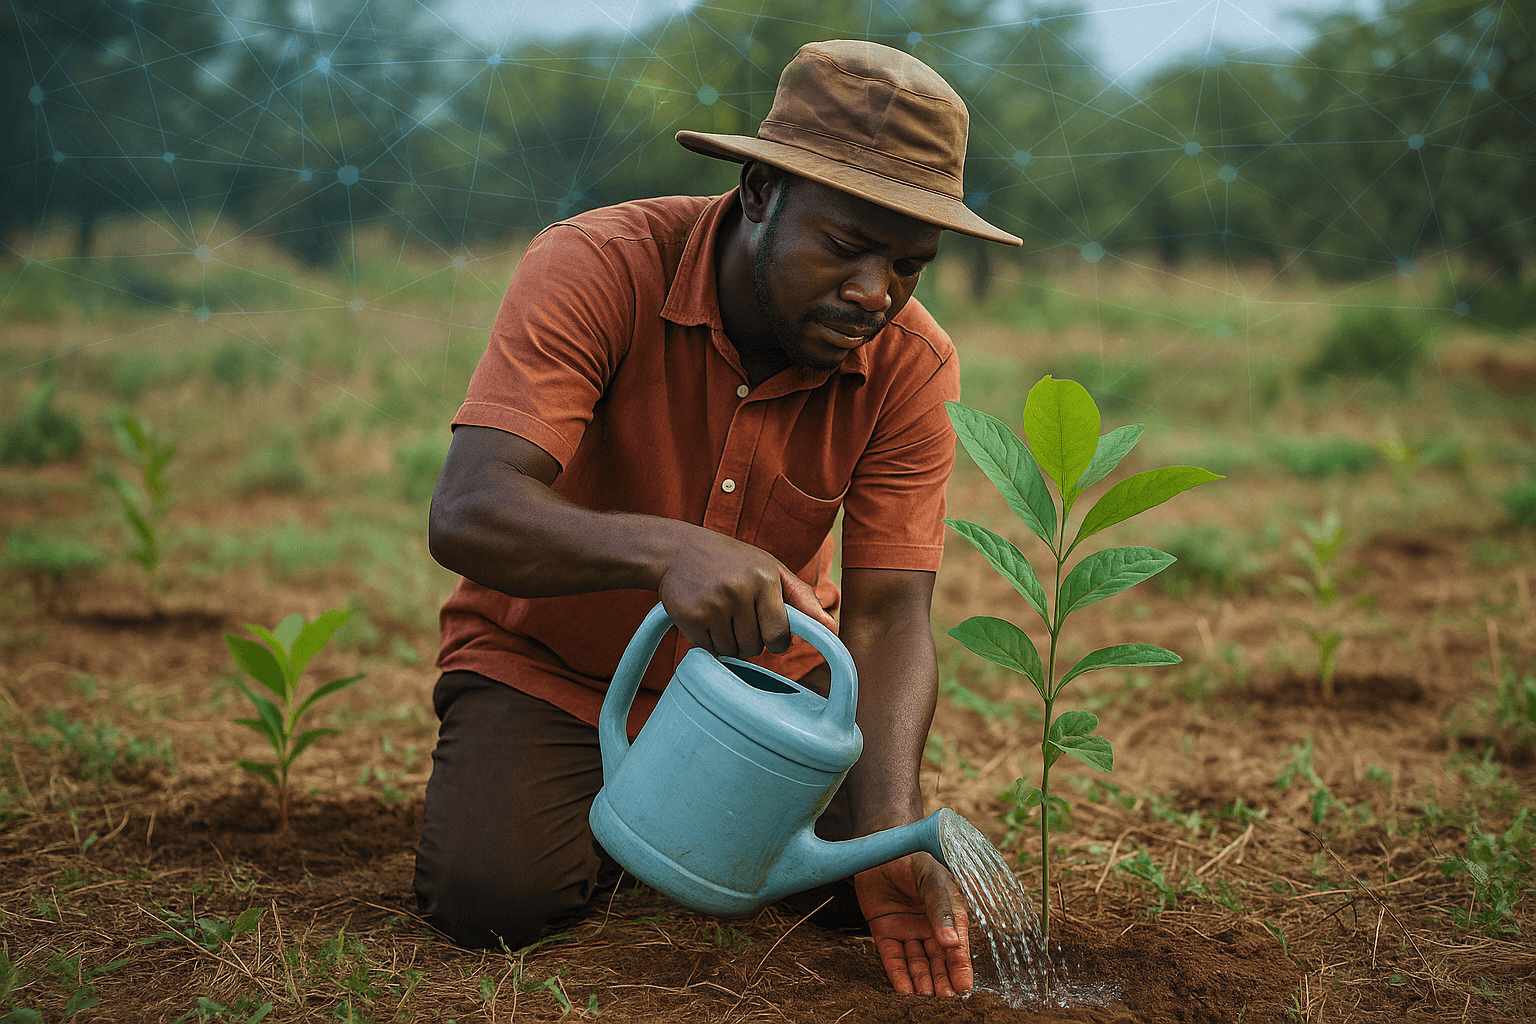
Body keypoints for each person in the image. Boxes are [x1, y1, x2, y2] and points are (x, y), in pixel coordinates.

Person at [413, 38, 1022, 998]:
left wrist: (886, 830)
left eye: (909, 264)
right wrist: (667, 551)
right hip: (552, 672)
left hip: (760, 701)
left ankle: (685, 832)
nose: (876, 294)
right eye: (846, 246)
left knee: (858, 897)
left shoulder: (911, 361)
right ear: (757, 193)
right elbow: (471, 510)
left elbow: (889, 614)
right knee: (496, 896)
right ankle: (603, 812)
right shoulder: (601, 267)